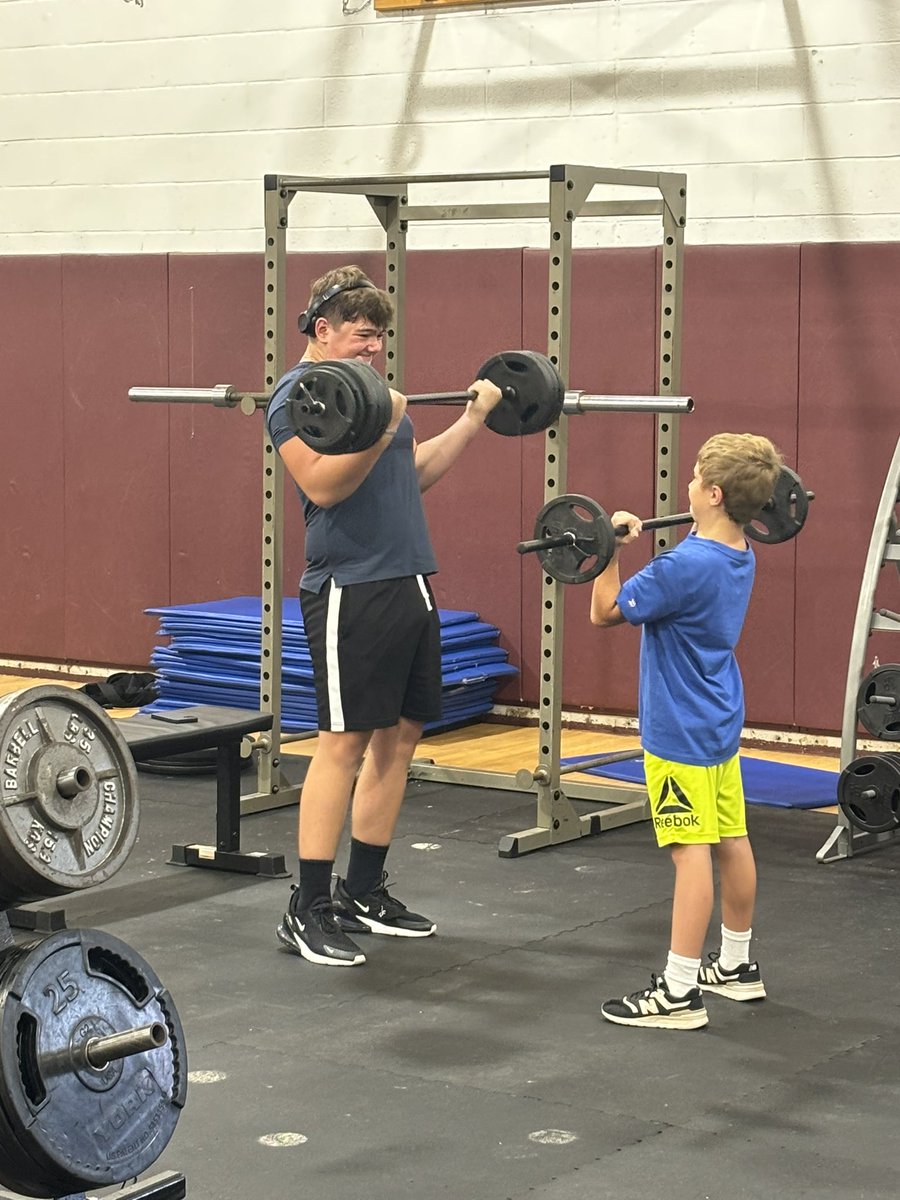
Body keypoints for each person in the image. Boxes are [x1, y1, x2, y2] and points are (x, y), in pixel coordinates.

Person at [265, 265, 502, 967]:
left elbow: (414, 473)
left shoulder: (373, 397)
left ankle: (361, 891)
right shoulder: (297, 396)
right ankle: (305, 909)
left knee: (400, 737)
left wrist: (473, 418)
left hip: (408, 580)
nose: (373, 351)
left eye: (379, 340)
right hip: (348, 587)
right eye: (363, 338)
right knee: (343, 742)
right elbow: (322, 486)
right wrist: (384, 423)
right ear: (322, 331)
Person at [589, 433, 783, 1029]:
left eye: (696, 479)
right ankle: (736, 966)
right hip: (719, 719)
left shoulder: (681, 566)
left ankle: (677, 992)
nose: (687, 486)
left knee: (688, 853)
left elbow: (605, 610)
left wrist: (607, 549)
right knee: (730, 837)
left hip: (678, 728)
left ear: (715, 494)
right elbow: (698, 546)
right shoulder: (737, 550)